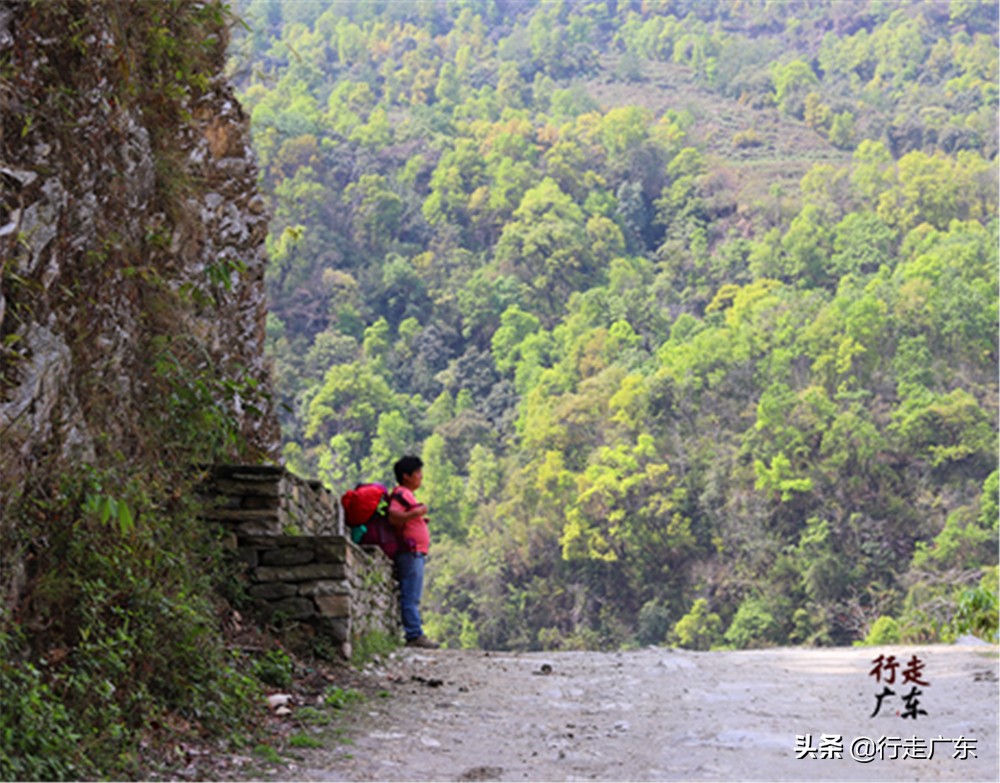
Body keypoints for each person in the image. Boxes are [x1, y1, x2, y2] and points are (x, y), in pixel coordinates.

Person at [388, 455, 439, 649]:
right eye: (417, 472)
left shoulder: (407, 494)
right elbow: (394, 517)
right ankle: (414, 634)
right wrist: (416, 513)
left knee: (412, 594)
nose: (421, 476)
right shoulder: (401, 492)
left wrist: (418, 521)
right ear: (406, 476)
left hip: (415, 552)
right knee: (411, 595)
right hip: (410, 551)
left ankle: (414, 632)